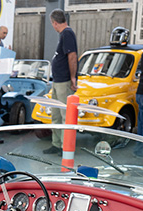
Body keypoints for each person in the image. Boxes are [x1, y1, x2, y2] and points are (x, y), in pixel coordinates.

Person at [44, 10, 78, 154]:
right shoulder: (63, 35)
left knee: (65, 115)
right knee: (56, 114)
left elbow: (72, 56)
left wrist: (72, 77)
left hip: (64, 81)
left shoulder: (67, 34)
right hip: (57, 81)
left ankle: (66, 147)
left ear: (54, 22)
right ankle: (56, 143)